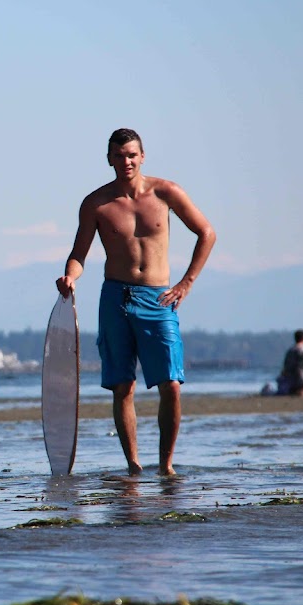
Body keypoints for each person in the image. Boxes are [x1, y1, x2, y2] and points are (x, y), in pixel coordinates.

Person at [55, 128, 216, 476]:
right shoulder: (96, 203)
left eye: (132, 155)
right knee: (122, 386)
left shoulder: (166, 192)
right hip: (115, 297)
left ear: (142, 156)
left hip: (157, 297)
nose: (126, 161)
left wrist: (186, 283)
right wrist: (70, 276)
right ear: (109, 159)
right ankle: (133, 465)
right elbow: (78, 254)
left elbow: (207, 232)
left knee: (171, 384)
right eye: (119, 155)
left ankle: (166, 465)